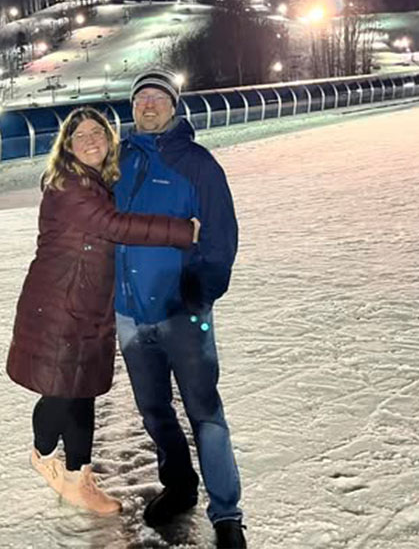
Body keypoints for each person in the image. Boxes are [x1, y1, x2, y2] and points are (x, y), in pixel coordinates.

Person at [7, 106, 200, 515]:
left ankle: (79, 477)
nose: (91, 140)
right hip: (59, 304)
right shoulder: (69, 185)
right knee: (61, 392)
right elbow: (116, 226)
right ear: (67, 147)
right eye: (81, 136)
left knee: (84, 392)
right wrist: (183, 231)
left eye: (98, 132)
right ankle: (43, 454)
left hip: (90, 304)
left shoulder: (100, 182)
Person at [114, 70, 245, 549]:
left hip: (181, 311)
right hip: (129, 313)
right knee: (153, 410)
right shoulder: (118, 161)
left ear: (174, 106)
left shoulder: (198, 165)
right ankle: (179, 485)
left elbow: (221, 238)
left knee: (204, 411)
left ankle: (227, 513)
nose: (148, 105)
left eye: (157, 98)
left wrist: (199, 291)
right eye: (140, 99)